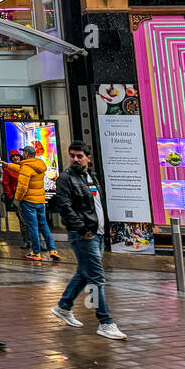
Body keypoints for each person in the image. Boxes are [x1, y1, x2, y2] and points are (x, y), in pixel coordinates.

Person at [51, 142, 128, 340]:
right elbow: (65, 207)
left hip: (97, 233)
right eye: (72, 156)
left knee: (85, 274)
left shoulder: (90, 176)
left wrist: (104, 228)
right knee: (96, 278)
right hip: (84, 235)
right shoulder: (66, 178)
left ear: (88, 157)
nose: (75, 159)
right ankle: (105, 321)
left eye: (79, 156)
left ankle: (63, 306)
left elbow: (97, 205)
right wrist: (83, 230)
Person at [15, 144, 60, 262]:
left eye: (24, 153)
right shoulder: (39, 165)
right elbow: (20, 169)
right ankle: (53, 250)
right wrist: (8, 165)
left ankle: (36, 252)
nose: (22, 154)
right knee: (44, 225)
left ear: (27, 154)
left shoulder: (26, 167)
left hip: (29, 201)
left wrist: (17, 199)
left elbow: (22, 187)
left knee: (33, 227)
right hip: (40, 200)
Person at [1, 148, 28, 251]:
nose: (16, 158)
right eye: (13, 157)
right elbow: (6, 184)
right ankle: (26, 240)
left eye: (17, 156)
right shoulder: (8, 170)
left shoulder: (24, 167)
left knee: (32, 220)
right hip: (17, 197)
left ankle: (35, 240)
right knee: (22, 220)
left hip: (27, 197)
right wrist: (11, 197)